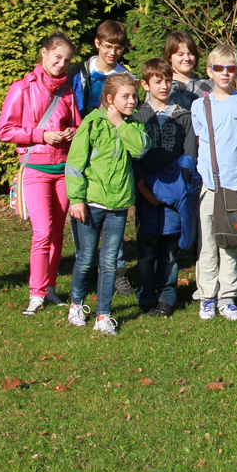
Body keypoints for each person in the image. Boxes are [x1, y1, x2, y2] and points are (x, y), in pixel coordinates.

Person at [0, 31, 82, 316]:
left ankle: (50, 287)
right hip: (35, 168)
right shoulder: (22, 88)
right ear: (43, 53)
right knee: (42, 231)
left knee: (57, 233)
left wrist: (71, 132)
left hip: (62, 170)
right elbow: (5, 130)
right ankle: (36, 293)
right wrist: (42, 135)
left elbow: (77, 125)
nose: (61, 64)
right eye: (57, 57)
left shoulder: (67, 91)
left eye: (67, 60)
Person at [65, 74, 149, 335]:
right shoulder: (91, 123)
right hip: (90, 203)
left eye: (134, 96)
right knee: (86, 258)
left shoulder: (133, 125)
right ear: (110, 99)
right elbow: (75, 165)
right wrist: (76, 199)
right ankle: (76, 305)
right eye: (125, 96)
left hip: (118, 205)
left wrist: (120, 124)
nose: (132, 101)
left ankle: (103, 315)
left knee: (110, 261)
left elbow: (140, 149)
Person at [190, 43, 237, 321]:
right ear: (209, 71)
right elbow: (201, 142)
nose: (225, 73)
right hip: (210, 186)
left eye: (230, 68)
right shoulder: (199, 105)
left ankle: (227, 297)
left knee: (230, 244)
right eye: (218, 68)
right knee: (207, 244)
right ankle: (207, 296)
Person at [70, 19, 136, 296]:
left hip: (115, 146)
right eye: (108, 46)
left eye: (118, 48)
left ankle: (116, 271)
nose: (112, 52)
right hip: (87, 141)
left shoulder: (125, 75)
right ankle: (85, 270)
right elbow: (72, 106)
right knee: (86, 213)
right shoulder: (81, 72)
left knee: (114, 211)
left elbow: (131, 111)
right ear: (97, 43)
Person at [131, 58, 199, 318]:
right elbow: (132, 159)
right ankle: (146, 295)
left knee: (169, 250)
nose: (164, 86)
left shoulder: (183, 116)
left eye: (168, 81)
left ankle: (167, 297)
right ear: (145, 84)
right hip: (145, 194)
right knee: (147, 249)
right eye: (157, 81)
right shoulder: (137, 117)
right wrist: (145, 190)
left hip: (173, 195)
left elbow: (188, 157)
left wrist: (176, 191)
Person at [164, 29, 212, 108]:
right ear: (169, 57)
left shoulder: (207, 86)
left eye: (191, 54)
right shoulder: (163, 87)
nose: (187, 58)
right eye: (180, 54)